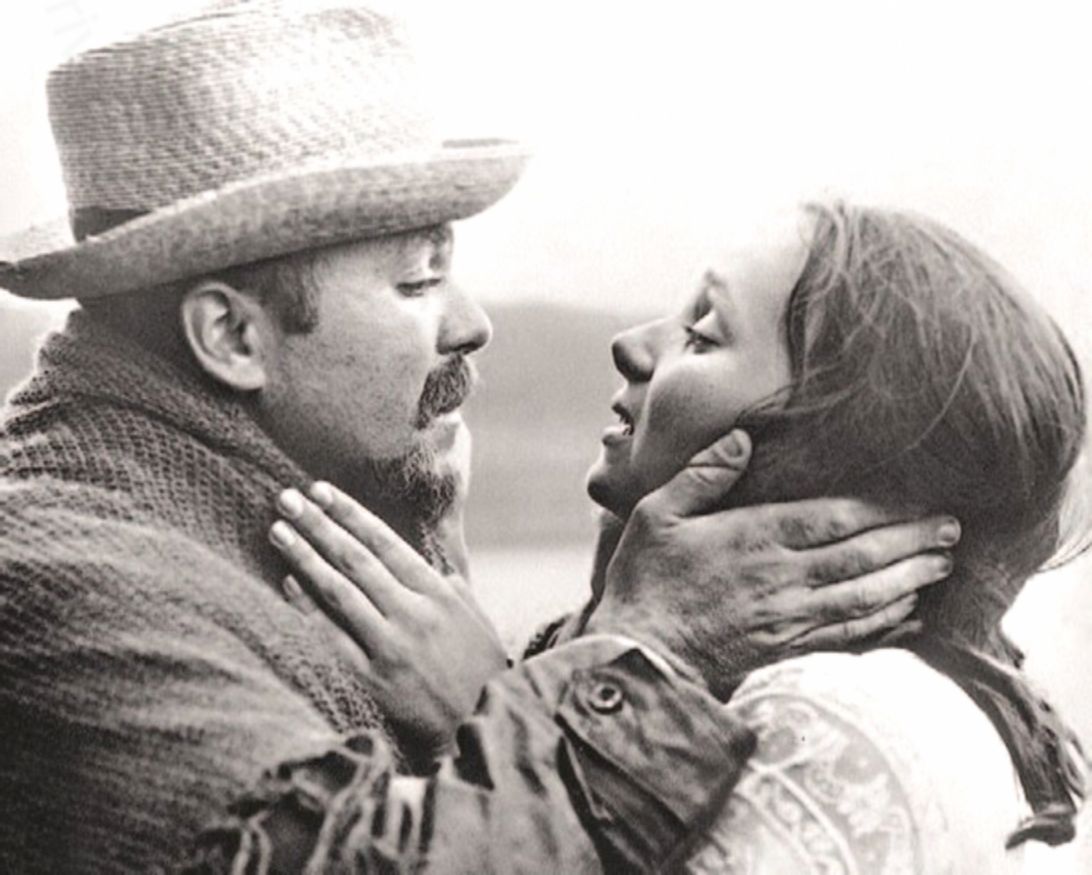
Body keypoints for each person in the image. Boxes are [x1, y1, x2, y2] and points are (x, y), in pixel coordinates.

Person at [0, 4, 957, 872]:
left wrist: (535, 670)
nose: (470, 324)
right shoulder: (60, 574)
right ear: (232, 337)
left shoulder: (271, 506)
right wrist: (649, 642)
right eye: (419, 281)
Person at [251, 203, 1088, 872]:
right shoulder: (870, 691)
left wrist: (495, 703)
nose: (631, 344)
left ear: (817, 465)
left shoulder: (837, 721)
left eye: (702, 334)